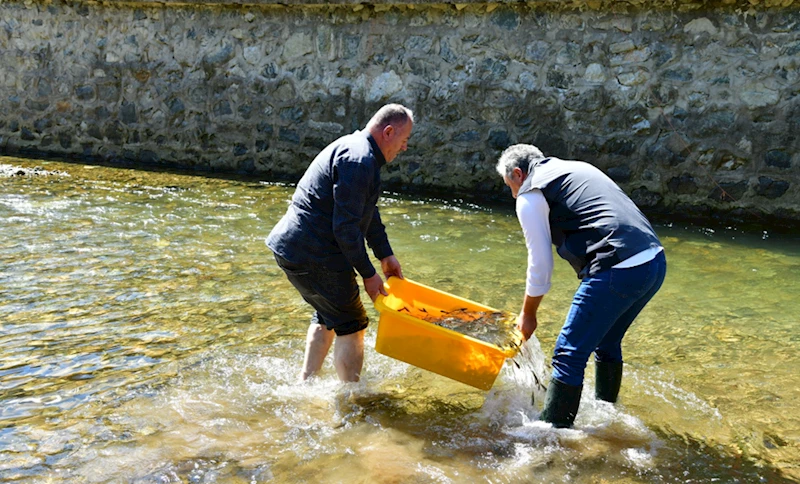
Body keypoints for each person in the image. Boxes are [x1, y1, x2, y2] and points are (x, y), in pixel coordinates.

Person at [496, 144, 667, 428]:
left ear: (518, 173)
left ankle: (550, 436)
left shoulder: (530, 193)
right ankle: (608, 417)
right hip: (654, 262)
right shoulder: (576, 167)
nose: (513, 193)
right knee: (607, 341)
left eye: (510, 186)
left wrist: (528, 314)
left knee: (568, 353)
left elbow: (540, 264)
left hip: (618, 268)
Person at [266, 103, 414, 382]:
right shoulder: (360, 160)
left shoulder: (358, 150)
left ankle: (306, 382)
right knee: (352, 323)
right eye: (404, 140)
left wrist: (385, 254)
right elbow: (346, 229)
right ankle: (350, 403)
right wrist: (369, 275)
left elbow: (366, 213)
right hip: (314, 253)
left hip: (293, 249)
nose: (404, 148)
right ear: (389, 131)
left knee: (329, 314)